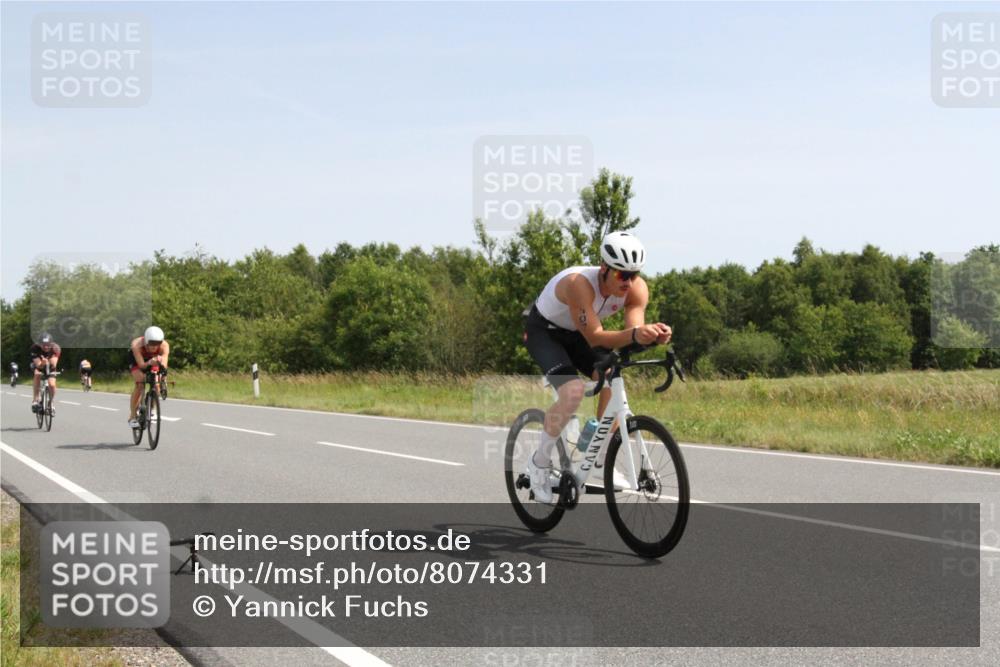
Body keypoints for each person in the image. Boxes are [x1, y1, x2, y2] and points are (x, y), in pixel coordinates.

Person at [522, 231, 672, 503]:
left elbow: (632, 331)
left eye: (634, 275)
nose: (628, 282)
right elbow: (595, 337)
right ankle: (539, 464)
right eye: (621, 275)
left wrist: (652, 336)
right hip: (546, 333)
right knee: (573, 392)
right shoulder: (578, 284)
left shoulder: (636, 289)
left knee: (612, 375)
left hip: (578, 335)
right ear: (604, 268)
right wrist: (637, 335)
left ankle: (602, 455)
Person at [127, 326, 170, 428]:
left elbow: (164, 365)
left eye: (157, 344)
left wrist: (163, 377)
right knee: (140, 382)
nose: (154, 347)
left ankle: (152, 409)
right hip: (137, 360)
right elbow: (142, 366)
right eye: (151, 344)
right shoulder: (136, 344)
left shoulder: (164, 345)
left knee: (157, 383)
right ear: (146, 341)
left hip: (153, 359)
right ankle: (132, 416)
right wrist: (150, 362)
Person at [29, 333, 62, 413]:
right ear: (39, 344)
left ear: (51, 344)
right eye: (43, 345)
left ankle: (50, 403)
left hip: (51, 366)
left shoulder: (55, 348)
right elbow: (38, 365)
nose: (46, 347)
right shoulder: (34, 348)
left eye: (48, 345)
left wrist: (48, 362)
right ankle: (35, 399)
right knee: (37, 374)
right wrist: (43, 363)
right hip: (39, 365)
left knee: (52, 385)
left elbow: (53, 364)